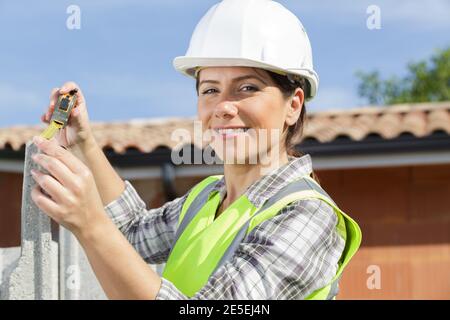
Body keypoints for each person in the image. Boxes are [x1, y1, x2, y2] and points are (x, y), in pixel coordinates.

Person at [31, 0, 361, 299]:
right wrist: (84, 142)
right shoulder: (206, 198)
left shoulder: (306, 216)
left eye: (247, 87)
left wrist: (91, 225)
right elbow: (130, 234)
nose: (223, 107)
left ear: (293, 105)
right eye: (210, 90)